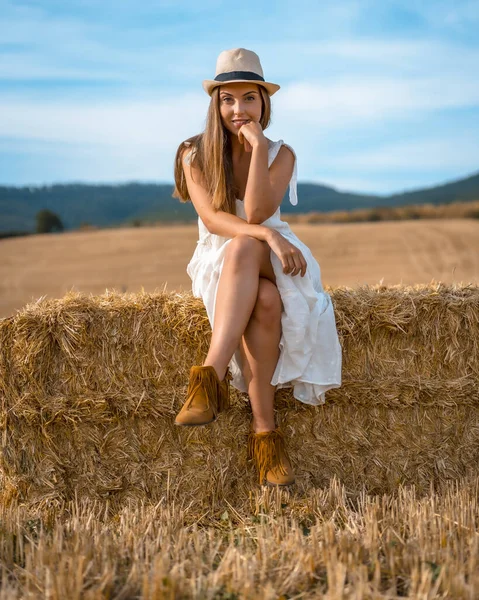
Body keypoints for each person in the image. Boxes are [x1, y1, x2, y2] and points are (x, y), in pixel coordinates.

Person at [172, 48, 342, 487]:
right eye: (228, 99)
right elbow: (217, 221)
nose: (238, 109)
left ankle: (208, 380)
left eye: (249, 98)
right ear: (216, 104)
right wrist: (268, 235)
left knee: (250, 247)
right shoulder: (194, 153)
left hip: (278, 255)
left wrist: (260, 147)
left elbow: (259, 211)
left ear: (264, 103)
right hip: (226, 253)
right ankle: (265, 435)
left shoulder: (281, 154)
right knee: (263, 297)